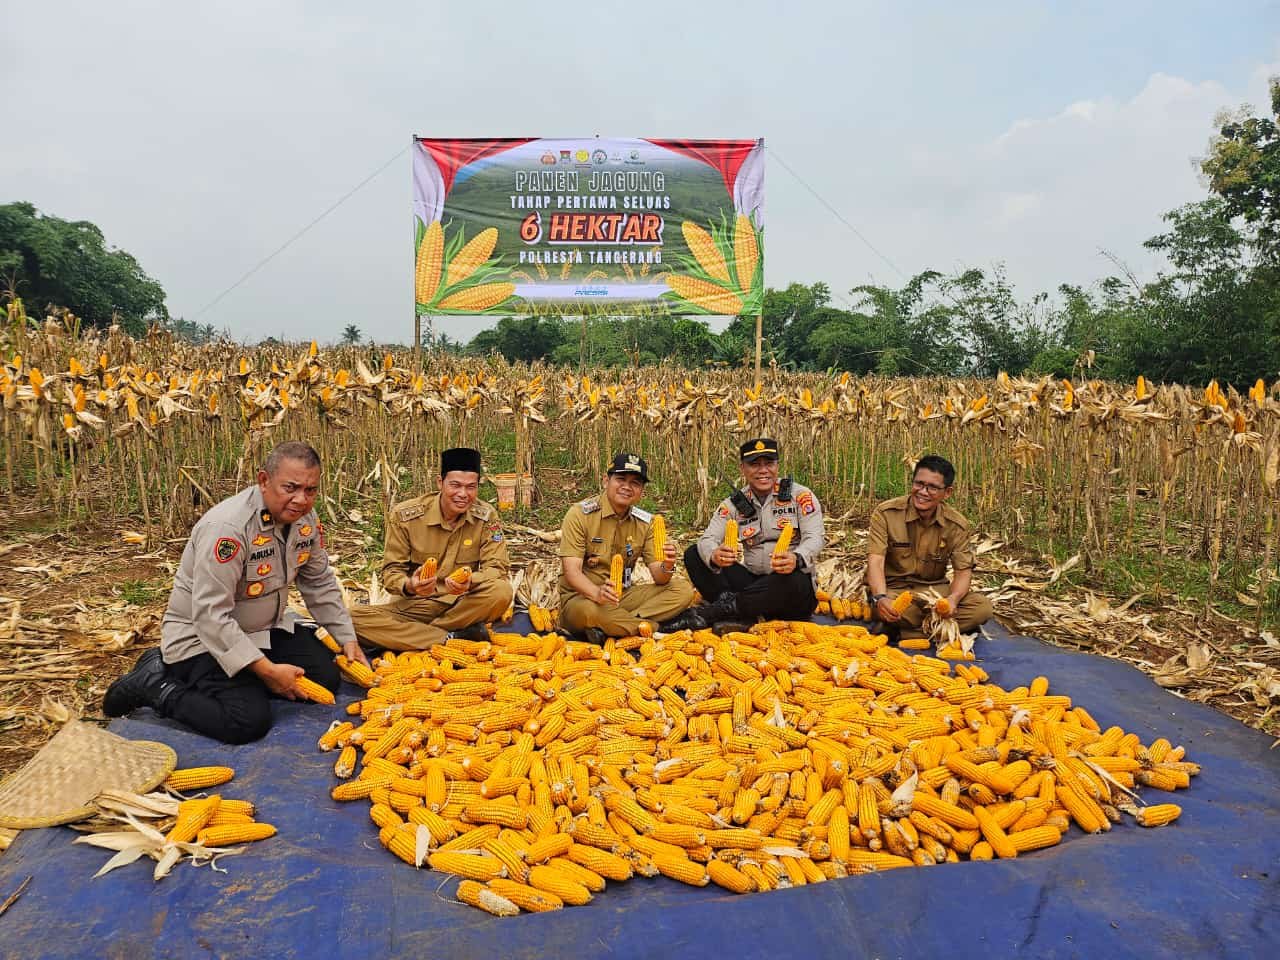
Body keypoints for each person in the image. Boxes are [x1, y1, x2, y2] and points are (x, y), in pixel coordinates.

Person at [103, 441, 366, 744]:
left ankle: (247, 677)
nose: (301, 500)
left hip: (262, 631)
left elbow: (318, 581)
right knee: (247, 722)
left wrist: (346, 637)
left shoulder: (304, 521)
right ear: (264, 480)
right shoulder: (227, 530)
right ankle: (155, 685)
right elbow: (210, 617)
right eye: (290, 487)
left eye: (311, 490)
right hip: (202, 640)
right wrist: (267, 671)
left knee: (326, 679)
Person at [349, 447, 513, 650]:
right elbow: (391, 574)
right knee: (349, 619)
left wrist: (471, 581)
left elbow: (497, 567)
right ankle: (451, 638)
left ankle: (420, 635)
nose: (463, 494)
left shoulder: (486, 517)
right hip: (416, 604)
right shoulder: (405, 516)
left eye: (471, 487)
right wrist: (411, 585)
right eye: (455, 485)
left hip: (462, 603)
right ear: (440, 483)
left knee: (502, 591)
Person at [673, 438, 823, 631]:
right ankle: (742, 612)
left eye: (769, 463)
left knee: (795, 580)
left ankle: (720, 611)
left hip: (788, 589)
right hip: (753, 582)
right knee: (694, 554)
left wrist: (797, 558)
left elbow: (816, 537)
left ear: (777, 466)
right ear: (742, 469)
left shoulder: (801, 496)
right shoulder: (734, 504)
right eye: (754, 464)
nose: (763, 471)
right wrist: (714, 555)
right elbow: (707, 539)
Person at [558, 453, 695, 643]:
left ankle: (618, 626)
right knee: (589, 612)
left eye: (635, 483)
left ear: (641, 491)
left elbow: (660, 577)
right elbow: (571, 573)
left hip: (623, 596)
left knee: (683, 590)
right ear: (606, 480)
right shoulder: (580, 514)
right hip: (583, 597)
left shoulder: (646, 523)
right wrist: (597, 594)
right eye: (621, 479)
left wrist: (667, 565)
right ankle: (656, 627)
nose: (627, 487)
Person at [865, 454, 993, 644]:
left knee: (982, 609)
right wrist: (880, 598)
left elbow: (963, 572)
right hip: (894, 590)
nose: (923, 492)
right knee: (893, 609)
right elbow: (875, 561)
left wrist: (953, 600)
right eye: (919, 484)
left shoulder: (956, 524)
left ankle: (903, 633)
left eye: (932, 487)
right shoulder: (886, 513)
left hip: (934, 593)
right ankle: (942, 629)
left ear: (947, 492)